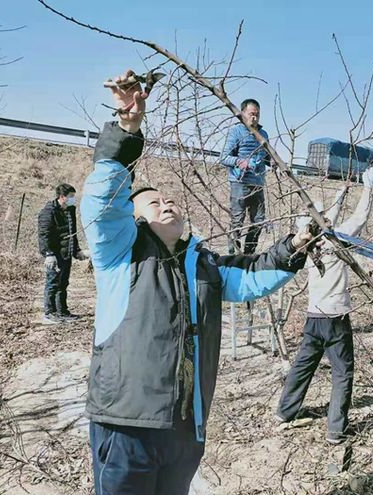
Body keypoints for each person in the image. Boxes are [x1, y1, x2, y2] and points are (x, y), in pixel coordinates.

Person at [81, 70, 314, 495]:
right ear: (134, 218)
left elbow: (251, 276)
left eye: (171, 199)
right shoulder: (120, 254)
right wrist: (126, 130)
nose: (166, 202)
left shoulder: (203, 266)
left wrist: (296, 244)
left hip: (186, 429)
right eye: (153, 202)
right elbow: (101, 201)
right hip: (128, 425)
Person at [275, 167, 373, 444]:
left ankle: (285, 412)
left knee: (303, 365)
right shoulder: (337, 239)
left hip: (313, 317)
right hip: (335, 319)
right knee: (343, 373)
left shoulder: (307, 243)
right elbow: (360, 217)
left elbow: (327, 217)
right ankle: (336, 430)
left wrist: (341, 192)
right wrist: (368, 186)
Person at [220, 98, 270, 254]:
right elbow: (224, 157)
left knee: (259, 220)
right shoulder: (236, 131)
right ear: (243, 114)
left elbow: (267, 158)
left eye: (257, 115)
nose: (254, 118)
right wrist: (242, 162)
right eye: (251, 114)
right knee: (237, 221)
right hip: (239, 183)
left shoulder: (263, 134)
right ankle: (233, 253)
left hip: (258, 183)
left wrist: (274, 163)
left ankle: (249, 253)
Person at [38, 183, 88, 324]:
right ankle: (49, 314)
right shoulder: (48, 212)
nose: (74, 199)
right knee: (53, 283)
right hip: (54, 254)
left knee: (63, 283)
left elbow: (72, 232)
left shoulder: (70, 209)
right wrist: (48, 254)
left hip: (66, 252)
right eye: (71, 197)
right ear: (62, 197)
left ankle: (62, 311)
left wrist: (76, 250)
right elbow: (44, 235)